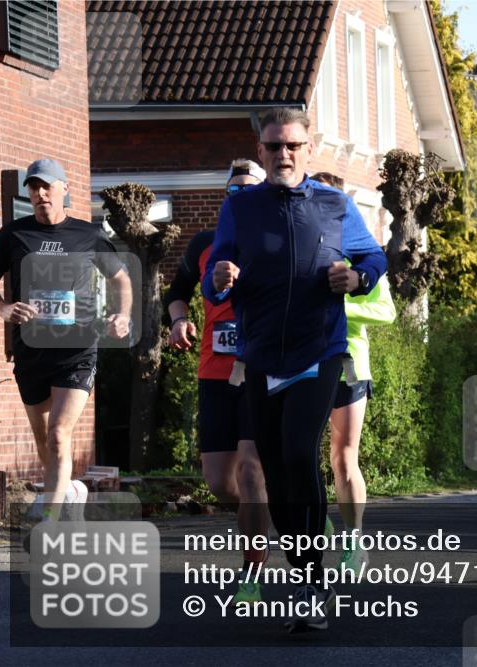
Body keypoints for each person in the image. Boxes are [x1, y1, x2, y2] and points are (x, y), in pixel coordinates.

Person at [202, 107, 387, 633]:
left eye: (291, 146)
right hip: (260, 353)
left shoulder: (335, 204)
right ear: (260, 151)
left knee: (298, 451)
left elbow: (374, 257)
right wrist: (220, 277)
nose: (282, 154)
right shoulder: (241, 209)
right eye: (273, 146)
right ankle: (305, 562)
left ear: (309, 149)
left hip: (317, 351)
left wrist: (357, 277)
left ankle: (310, 582)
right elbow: (214, 278)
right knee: (274, 468)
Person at [0, 158, 132, 525]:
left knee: (58, 433)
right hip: (31, 352)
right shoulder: (13, 235)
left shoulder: (88, 235)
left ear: (64, 190)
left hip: (77, 350)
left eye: (46, 187)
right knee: (43, 439)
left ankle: (51, 520)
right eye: (33, 188)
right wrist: (4, 309)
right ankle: (68, 488)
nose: (39, 194)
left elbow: (121, 280)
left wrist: (123, 315)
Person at [166, 159, 271, 603]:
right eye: (233, 191)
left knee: (250, 470)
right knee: (217, 482)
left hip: (261, 371)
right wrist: (178, 321)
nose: (240, 197)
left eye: (249, 190)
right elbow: (176, 291)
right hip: (213, 372)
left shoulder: (275, 243)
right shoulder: (205, 245)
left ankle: (252, 569)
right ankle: (273, 512)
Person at [309, 170, 397, 573]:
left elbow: (386, 310)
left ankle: (354, 541)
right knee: (296, 456)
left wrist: (343, 305)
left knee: (343, 457)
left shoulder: (362, 251)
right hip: (300, 363)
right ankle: (322, 524)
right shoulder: (301, 248)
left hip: (348, 364)